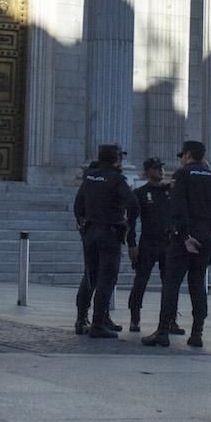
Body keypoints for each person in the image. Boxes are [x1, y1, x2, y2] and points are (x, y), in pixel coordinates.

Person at [144, 140, 211, 348]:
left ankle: (163, 330)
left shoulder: (182, 175)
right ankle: (197, 332)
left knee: (172, 284)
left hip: (184, 238)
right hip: (205, 237)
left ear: (187, 155)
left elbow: (177, 206)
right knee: (198, 284)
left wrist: (183, 235)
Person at [72, 144, 134, 339]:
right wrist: (125, 221)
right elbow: (133, 203)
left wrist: (83, 222)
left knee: (90, 276)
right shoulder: (116, 179)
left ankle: (82, 319)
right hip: (109, 232)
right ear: (116, 159)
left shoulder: (89, 177)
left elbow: (78, 205)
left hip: (90, 232)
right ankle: (99, 322)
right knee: (106, 278)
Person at [126, 158, 175, 333]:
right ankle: (135, 317)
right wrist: (131, 244)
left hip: (168, 242)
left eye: (162, 168)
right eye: (156, 168)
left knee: (169, 283)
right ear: (147, 172)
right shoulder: (140, 193)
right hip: (148, 242)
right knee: (141, 281)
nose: (161, 171)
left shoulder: (170, 191)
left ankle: (171, 319)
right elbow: (130, 221)